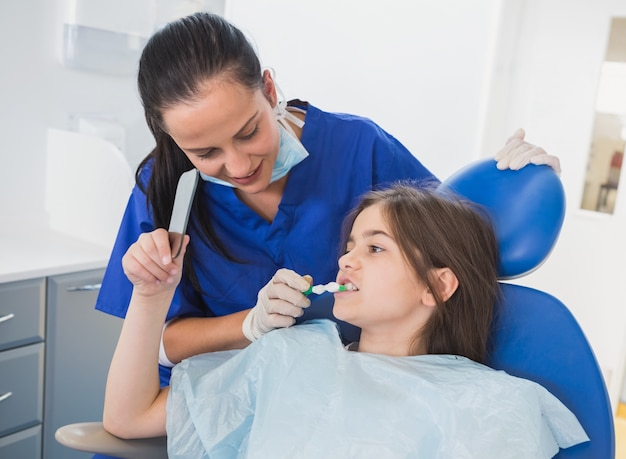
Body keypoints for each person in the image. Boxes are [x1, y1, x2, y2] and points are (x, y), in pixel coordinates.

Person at [95, 11, 561, 385]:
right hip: (217, 397)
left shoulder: (359, 148)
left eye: (249, 131)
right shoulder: (162, 190)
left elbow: (450, 240)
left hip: (339, 391)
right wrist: (251, 325)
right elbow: (152, 343)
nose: (238, 167)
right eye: (205, 152)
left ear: (270, 89)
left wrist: (526, 184)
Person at [102, 184, 587, 457]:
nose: (347, 261)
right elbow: (127, 418)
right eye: (349, 246)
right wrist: (151, 295)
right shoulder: (288, 356)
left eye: (374, 248)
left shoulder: (491, 404)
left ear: (437, 286)